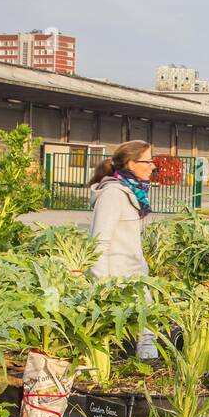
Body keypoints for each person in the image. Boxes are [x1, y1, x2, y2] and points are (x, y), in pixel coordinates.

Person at [89, 140, 158, 359]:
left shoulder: (132, 193)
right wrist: (102, 286)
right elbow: (99, 243)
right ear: (130, 163)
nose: (152, 166)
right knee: (119, 344)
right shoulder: (113, 194)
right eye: (147, 161)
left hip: (135, 279)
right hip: (117, 284)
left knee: (147, 340)